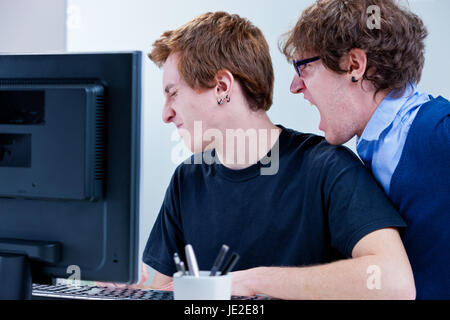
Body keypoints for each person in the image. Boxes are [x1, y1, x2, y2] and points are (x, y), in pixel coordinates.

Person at [143, 11, 415, 299]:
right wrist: (124, 289)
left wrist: (252, 282)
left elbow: (393, 281)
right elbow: (163, 291)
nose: (166, 114)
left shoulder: (327, 168)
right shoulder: (187, 180)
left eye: (173, 93)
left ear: (222, 87)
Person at [281, 0, 449, 299]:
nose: (295, 86)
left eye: (303, 68)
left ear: (354, 66)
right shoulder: (371, 151)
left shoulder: (440, 133)